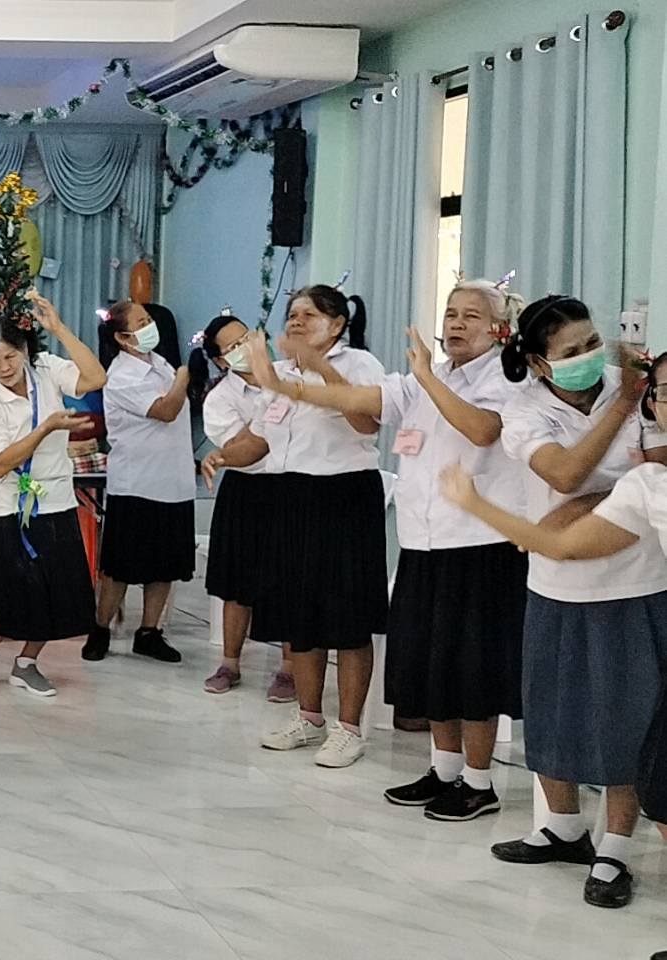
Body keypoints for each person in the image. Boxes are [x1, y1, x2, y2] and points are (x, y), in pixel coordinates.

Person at [251, 280, 529, 813]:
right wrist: (283, 384)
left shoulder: (505, 377)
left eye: (471, 316)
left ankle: (479, 782)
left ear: (499, 329)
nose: (455, 323)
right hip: (422, 540)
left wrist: (426, 376)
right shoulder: (429, 377)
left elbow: (481, 430)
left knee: (472, 669)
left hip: (479, 541)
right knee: (431, 663)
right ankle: (443, 769)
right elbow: (354, 400)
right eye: (450, 313)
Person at [441, 295, 667, 910]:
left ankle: (615, 849)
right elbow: (564, 474)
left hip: (635, 581)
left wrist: (588, 504)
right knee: (552, 708)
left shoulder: (638, 388)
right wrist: (619, 413)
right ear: (541, 365)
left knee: (627, 719)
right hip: (555, 583)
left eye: (593, 342)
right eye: (572, 351)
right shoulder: (525, 410)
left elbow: (657, 469)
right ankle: (562, 828)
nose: (590, 356)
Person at [238, 285, 386, 769]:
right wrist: (220, 456)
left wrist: (318, 366)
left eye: (309, 314)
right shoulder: (279, 374)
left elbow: (367, 423)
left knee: (347, 616)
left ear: (337, 324)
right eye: (292, 314)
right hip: (288, 495)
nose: (297, 321)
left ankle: (349, 729)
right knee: (297, 614)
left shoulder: (360, 364)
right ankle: (309, 717)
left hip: (344, 495)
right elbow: (260, 438)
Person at [0, 292, 107, 697]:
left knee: (55, 590)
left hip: (54, 499)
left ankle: (26, 664)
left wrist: (59, 329)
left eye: (11, 356)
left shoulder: (46, 368)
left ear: (25, 350)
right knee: (12, 590)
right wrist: (46, 429)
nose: (4, 368)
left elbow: (96, 379)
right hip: (6, 506)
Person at [195, 314, 295, 701]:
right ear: (222, 360)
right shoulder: (220, 398)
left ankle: (289, 668)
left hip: (291, 485)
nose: (247, 347)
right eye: (234, 346)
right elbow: (244, 449)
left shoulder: (290, 375)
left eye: (248, 337)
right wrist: (272, 417)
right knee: (236, 582)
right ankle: (229, 663)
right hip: (247, 489)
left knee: (288, 580)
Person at [86, 299, 192, 664]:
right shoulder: (121, 376)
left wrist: (178, 376)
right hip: (137, 484)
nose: (150, 327)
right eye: (141, 323)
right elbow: (166, 410)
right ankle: (100, 628)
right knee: (120, 566)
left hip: (173, 481)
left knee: (165, 565)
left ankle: (149, 632)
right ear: (122, 337)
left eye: (149, 320)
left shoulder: (159, 363)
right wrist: (183, 379)